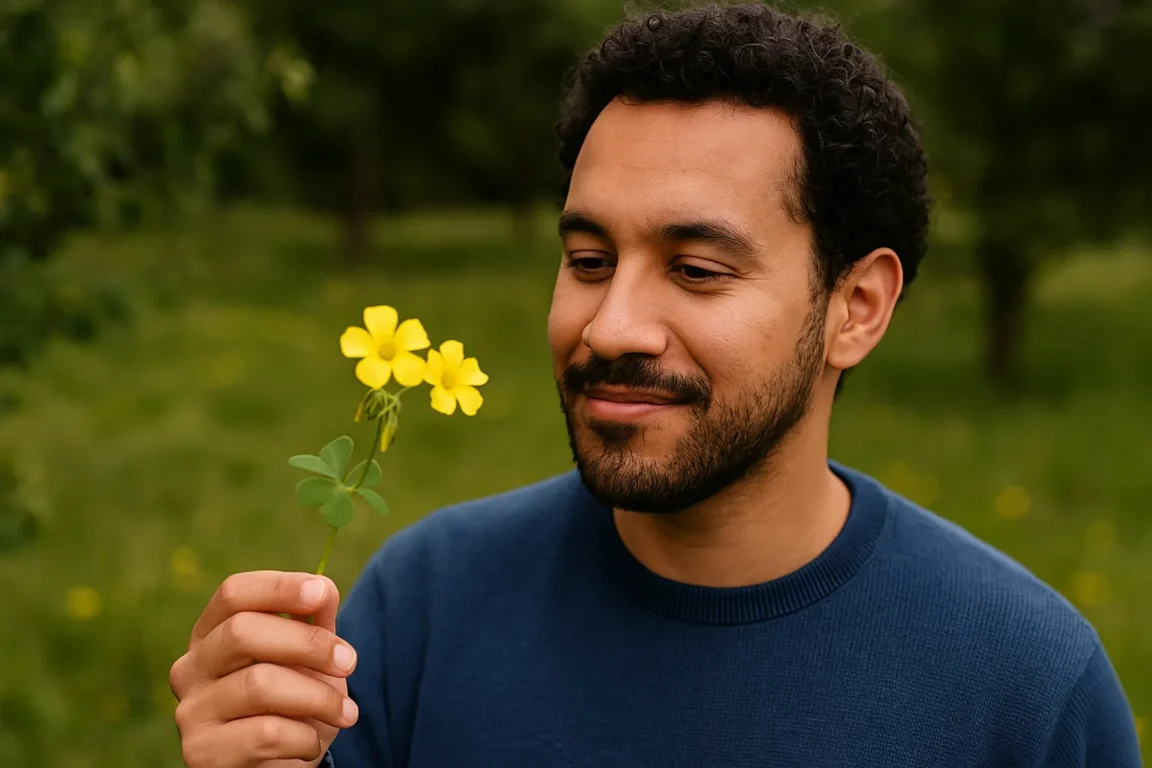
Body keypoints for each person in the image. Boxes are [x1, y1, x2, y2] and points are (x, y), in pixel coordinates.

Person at [168, 3, 1142, 766]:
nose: (610, 327)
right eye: (589, 260)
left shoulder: (1025, 688)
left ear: (856, 308)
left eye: (697, 269)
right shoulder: (420, 608)